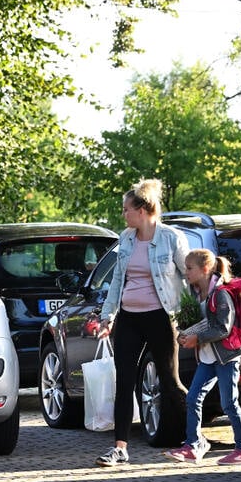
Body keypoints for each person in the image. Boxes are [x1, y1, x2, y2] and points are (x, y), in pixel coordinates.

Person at [94, 178, 189, 467]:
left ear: (144, 209)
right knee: (124, 381)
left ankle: (195, 437)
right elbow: (117, 281)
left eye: (127, 210)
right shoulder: (125, 239)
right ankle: (120, 448)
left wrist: (194, 320)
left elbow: (189, 277)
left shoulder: (172, 238)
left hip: (161, 317)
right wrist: (107, 317)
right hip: (129, 317)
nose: (123, 215)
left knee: (170, 382)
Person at [165, 248, 241, 466]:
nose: (186, 272)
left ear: (205, 269)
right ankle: (193, 445)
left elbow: (223, 328)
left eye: (189, 268)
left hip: (226, 357)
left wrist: (197, 337)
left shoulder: (220, 294)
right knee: (193, 397)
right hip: (208, 358)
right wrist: (186, 334)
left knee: (229, 403)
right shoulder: (198, 294)